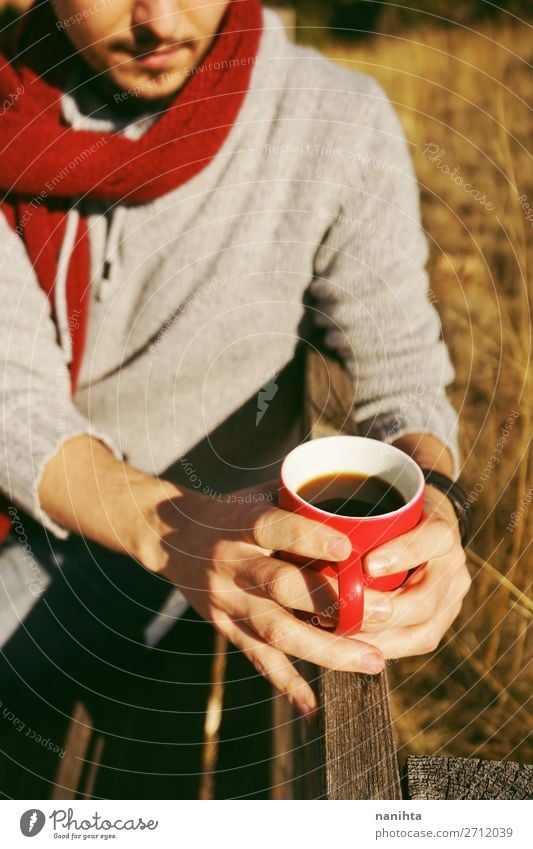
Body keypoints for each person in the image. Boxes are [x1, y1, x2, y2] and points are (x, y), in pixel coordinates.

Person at [0, 0, 471, 729]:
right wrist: (175, 529)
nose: (158, 19)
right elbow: (11, 398)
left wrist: (435, 502)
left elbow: (402, 374)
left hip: (246, 572)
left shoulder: (336, 120)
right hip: (35, 531)